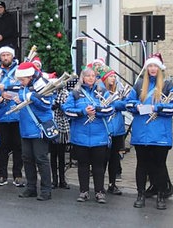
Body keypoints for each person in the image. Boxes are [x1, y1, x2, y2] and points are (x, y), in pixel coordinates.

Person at [125, 53, 173, 210]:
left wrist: (158, 108)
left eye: (155, 66)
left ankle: (161, 195)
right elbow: (128, 103)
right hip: (141, 133)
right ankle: (140, 195)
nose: (152, 69)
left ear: (160, 68)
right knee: (141, 165)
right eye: (150, 66)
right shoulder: (139, 85)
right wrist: (136, 106)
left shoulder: (168, 86)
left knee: (160, 166)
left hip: (160, 135)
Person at [62, 67, 115, 203]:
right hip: (80, 136)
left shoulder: (102, 91)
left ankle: (99, 192)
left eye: (93, 76)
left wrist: (96, 110)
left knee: (99, 166)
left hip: (99, 136)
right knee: (83, 165)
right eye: (88, 76)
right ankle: (84, 191)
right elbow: (67, 111)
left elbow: (110, 109)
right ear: (82, 78)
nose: (91, 78)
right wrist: (83, 112)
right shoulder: (75, 92)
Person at [14, 62, 54, 201]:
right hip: (25, 128)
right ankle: (31, 187)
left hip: (38, 129)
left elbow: (47, 105)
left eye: (22, 79)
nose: (21, 82)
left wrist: (33, 97)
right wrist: (17, 101)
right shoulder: (24, 85)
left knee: (41, 159)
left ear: (30, 76)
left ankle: (46, 190)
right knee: (27, 159)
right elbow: (23, 98)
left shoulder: (42, 84)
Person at [0, 46, 24, 187]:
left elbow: (25, 87)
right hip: (1, 115)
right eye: (3, 55)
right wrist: (1, 95)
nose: (6, 57)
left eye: (8, 55)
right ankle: (2, 174)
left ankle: (17, 174)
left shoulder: (20, 70)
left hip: (17, 115)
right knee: (2, 147)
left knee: (18, 147)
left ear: (12, 56)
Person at [99, 68, 127, 196]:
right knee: (104, 158)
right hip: (106, 129)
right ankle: (100, 185)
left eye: (114, 77)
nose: (113, 79)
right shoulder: (101, 92)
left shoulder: (118, 92)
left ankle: (112, 184)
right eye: (111, 77)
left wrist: (116, 103)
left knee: (115, 159)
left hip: (118, 130)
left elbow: (125, 105)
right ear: (105, 78)